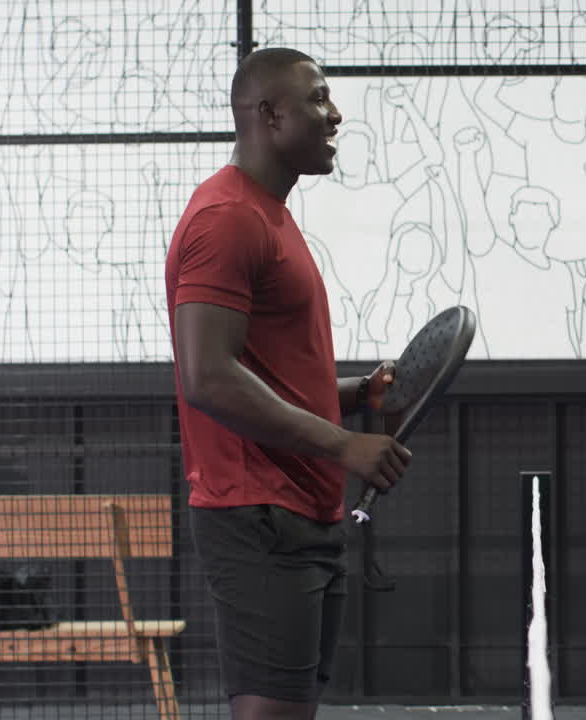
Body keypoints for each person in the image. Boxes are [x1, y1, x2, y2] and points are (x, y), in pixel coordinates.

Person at [164, 47, 412, 720]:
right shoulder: (227, 219)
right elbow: (208, 378)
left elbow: (263, 376)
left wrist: (357, 396)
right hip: (258, 516)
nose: (335, 115)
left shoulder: (267, 213)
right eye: (319, 100)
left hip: (297, 512)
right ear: (269, 115)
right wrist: (340, 443)